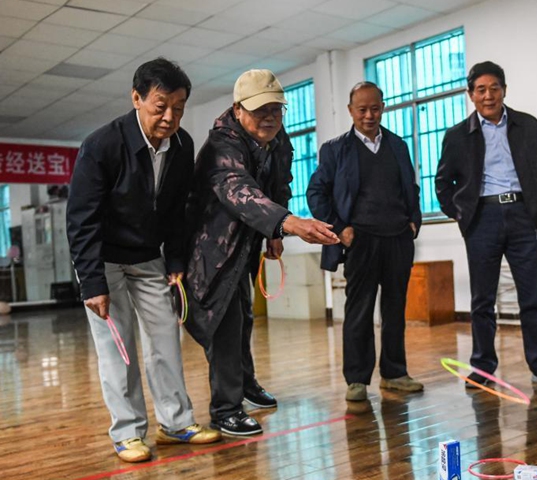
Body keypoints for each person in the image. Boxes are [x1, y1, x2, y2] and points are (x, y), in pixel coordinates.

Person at [66, 58, 220, 463]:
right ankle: (128, 433)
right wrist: (92, 283)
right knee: (119, 351)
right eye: (160, 106)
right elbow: (81, 220)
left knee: (165, 340)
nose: (170, 117)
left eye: (180, 107)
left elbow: (177, 210)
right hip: (103, 259)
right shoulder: (101, 146)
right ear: (136, 99)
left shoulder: (182, 145)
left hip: (149, 258)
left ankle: (176, 423)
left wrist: (176, 259)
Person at [183, 69, 338, 435]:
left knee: (244, 317)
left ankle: (245, 382)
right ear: (238, 109)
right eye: (259, 110)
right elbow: (240, 192)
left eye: (276, 110)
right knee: (224, 323)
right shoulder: (222, 146)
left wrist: (275, 234)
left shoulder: (276, 138)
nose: (269, 118)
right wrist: (290, 222)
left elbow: (279, 181)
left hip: (247, 243)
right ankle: (225, 409)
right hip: (210, 248)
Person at [435, 61, 537, 391]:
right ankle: (482, 367)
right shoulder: (457, 136)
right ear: (470, 95)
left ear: (504, 90)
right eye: (480, 90)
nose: (488, 95)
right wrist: (462, 216)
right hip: (482, 219)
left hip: (524, 218)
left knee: (536, 297)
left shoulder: (528, 125)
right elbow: (443, 182)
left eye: (494, 88)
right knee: (483, 300)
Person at [307, 81, 423, 402]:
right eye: (362, 109)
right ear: (350, 111)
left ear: (383, 107)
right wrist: (340, 227)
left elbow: (410, 187)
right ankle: (357, 379)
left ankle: (395, 373)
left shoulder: (398, 146)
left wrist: (414, 220)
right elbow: (316, 192)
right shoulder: (335, 150)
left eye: (375, 108)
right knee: (359, 311)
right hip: (361, 241)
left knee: (395, 309)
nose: (369, 115)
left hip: (398, 238)